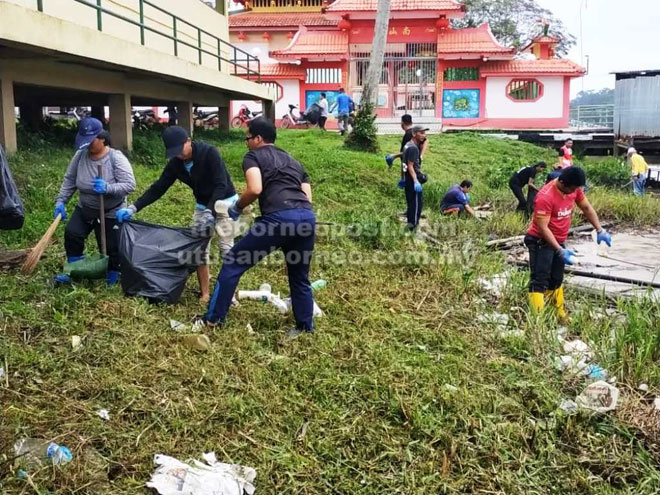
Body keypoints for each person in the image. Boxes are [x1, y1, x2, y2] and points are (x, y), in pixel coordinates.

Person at [203, 118, 316, 338]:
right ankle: (305, 327)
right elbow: (307, 196)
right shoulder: (294, 161)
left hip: (278, 219)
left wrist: (237, 207)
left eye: (247, 138)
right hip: (306, 218)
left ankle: (213, 319)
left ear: (258, 138)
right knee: (299, 275)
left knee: (233, 262)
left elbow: (255, 189)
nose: (246, 142)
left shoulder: (253, 156)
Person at [115, 126, 240, 302]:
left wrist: (210, 211)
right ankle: (205, 293)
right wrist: (134, 207)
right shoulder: (176, 163)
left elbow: (221, 184)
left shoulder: (209, 153)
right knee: (199, 250)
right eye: (174, 152)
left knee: (226, 249)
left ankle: (229, 296)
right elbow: (159, 187)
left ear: (188, 141)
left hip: (225, 203)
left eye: (180, 149)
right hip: (202, 205)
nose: (179, 155)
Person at [53, 117, 136, 285]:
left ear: (102, 138)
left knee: (110, 246)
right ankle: (74, 271)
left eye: (91, 141)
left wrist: (108, 188)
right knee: (72, 234)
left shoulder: (115, 158)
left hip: (110, 210)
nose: (88, 145)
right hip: (86, 207)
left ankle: (114, 273)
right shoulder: (80, 156)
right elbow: (70, 180)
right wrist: (61, 201)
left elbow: (129, 185)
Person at [525, 167, 611, 323]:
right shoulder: (545, 197)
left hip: (558, 240)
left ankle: (559, 314)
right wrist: (559, 250)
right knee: (539, 279)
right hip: (540, 241)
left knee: (556, 278)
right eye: (571, 189)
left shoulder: (574, 189)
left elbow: (586, 207)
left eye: (576, 189)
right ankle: (537, 321)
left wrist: (599, 229)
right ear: (562, 183)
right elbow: (542, 228)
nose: (573, 192)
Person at [401, 126, 428, 230]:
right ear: (414, 134)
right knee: (416, 205)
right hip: (413, 179)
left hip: (408, 178)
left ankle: (410, 224)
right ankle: (413, 227)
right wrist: (416, 180)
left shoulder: (407, 145)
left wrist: (403, 177)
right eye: (421, 133)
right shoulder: (413, 148)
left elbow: (404, 164)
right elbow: (410, 165)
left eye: (424, 133)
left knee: (410, 203)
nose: (423, 136)